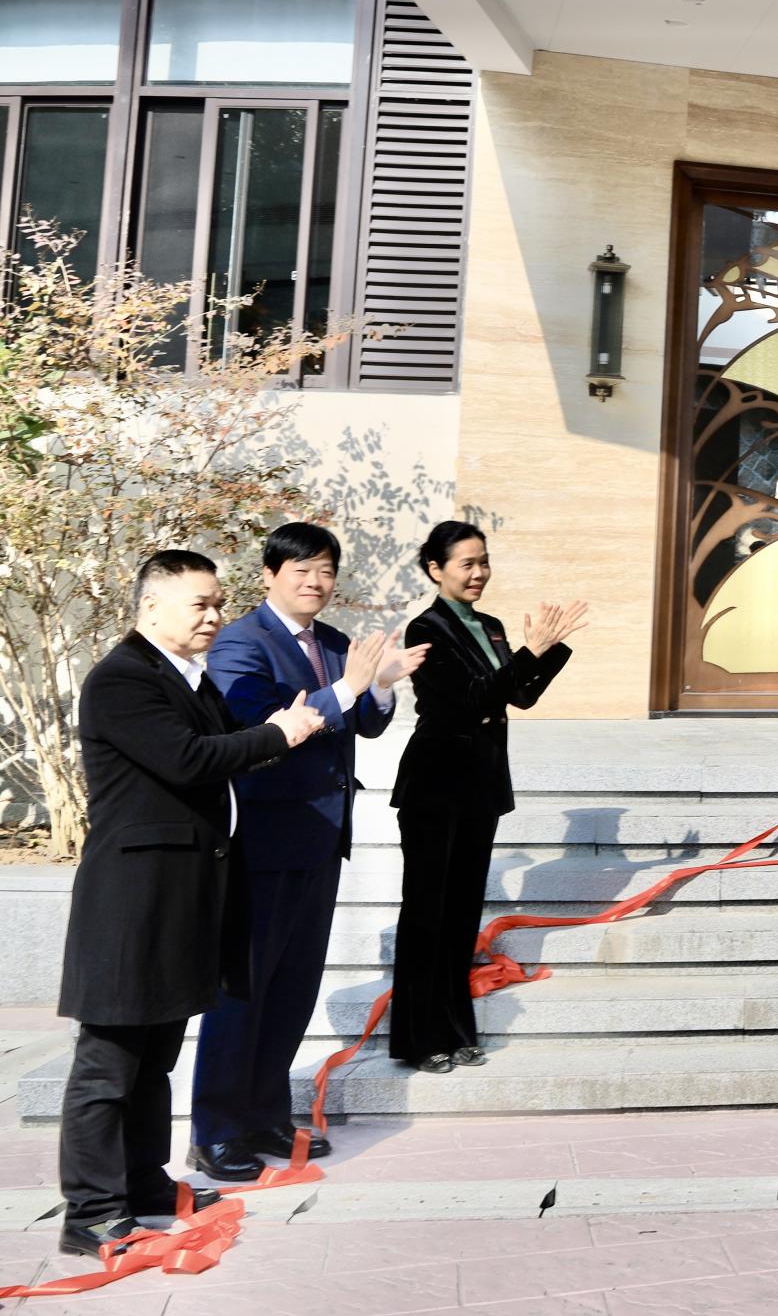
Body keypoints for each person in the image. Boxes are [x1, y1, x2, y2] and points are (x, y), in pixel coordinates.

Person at [54, 552, 321, 1258]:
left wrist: (280, 730)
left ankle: (144, 1184)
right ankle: (91, 1212)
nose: (213, 616)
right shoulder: (122, 679)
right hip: (131, 903)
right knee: (109, 1066)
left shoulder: (187, 678)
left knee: (154, 1059)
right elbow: (189, 759)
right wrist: (279, 734)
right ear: (151, 607)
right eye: (199, 604)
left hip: (182, 900)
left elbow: (228, 747)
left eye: (217, 604)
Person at [188, 524, 426, 1180]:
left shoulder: (337, 643)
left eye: (325, 570)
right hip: (260, 840)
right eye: (301, 570)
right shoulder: (241, 641)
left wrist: (381, 685)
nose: (315, 582)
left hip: (321, 837)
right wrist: (348, 690)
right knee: (244, 989)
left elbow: (367, 722)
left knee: (293, 988)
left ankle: (266, 1113)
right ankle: (215, 1131)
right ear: (270, 575)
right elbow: (256, 724)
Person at [386, 522, 587, 1072]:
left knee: (461, 915)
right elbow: (469, 699)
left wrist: (548, 651)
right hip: (434, 785)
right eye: (466, 564)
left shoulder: (491, 627)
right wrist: (529, 651)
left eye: (484, 562)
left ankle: (455, 1030)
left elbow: (518, 694)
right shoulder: (425, 629)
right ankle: (418, 1039)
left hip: (480, 784)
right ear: (436, 569)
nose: (478, 573)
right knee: (427, 914)